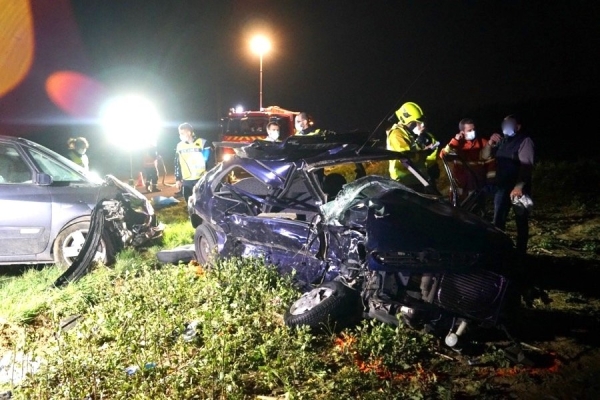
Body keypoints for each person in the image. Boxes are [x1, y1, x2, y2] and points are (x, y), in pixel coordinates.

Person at [485, 114, 534, 256]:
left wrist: (519, 187)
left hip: (518, 189)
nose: (505, 126)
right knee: (498, 219)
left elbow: (526, 166)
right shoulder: (502, 141)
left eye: (510, 123)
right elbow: (484, 156)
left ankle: (520, 253)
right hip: (502, 187)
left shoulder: (525, 140)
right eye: (504, 123)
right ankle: (498, 252)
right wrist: (489, 143)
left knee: (521, 220)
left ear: (518, 126)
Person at [440, 118, 495, 208]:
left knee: (477, 213)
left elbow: (491, 163)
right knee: (456, 213)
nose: (473, 132)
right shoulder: (457, 144)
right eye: (469, 130)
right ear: (462, 132)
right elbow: (443, 156)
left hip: (477, 186)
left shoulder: (483, 143)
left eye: (474, 129)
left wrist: (490, 182)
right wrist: (455, 141)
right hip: (460, 187)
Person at [386, 102, 439, 190]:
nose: (421, 125)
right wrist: (422, 148)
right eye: (416, 122)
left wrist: (431, 164)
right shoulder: (396, 134)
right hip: (406, 182)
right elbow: (406, 158)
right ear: (407, 122)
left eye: (421, 122)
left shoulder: (411, 133)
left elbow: (424, 150)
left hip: (419, 178)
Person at [175, 123, 210, 201]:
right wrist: (177, 179)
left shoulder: (202, 143)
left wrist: (208, 174)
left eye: (182, 133)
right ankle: (191, 213)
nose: (180, 135)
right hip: (187, 180)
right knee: (189, 202)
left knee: (201, 201)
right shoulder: (179, 146)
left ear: (189, 133)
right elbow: (177, 163)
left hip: (200, 179)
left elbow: (209, 160)